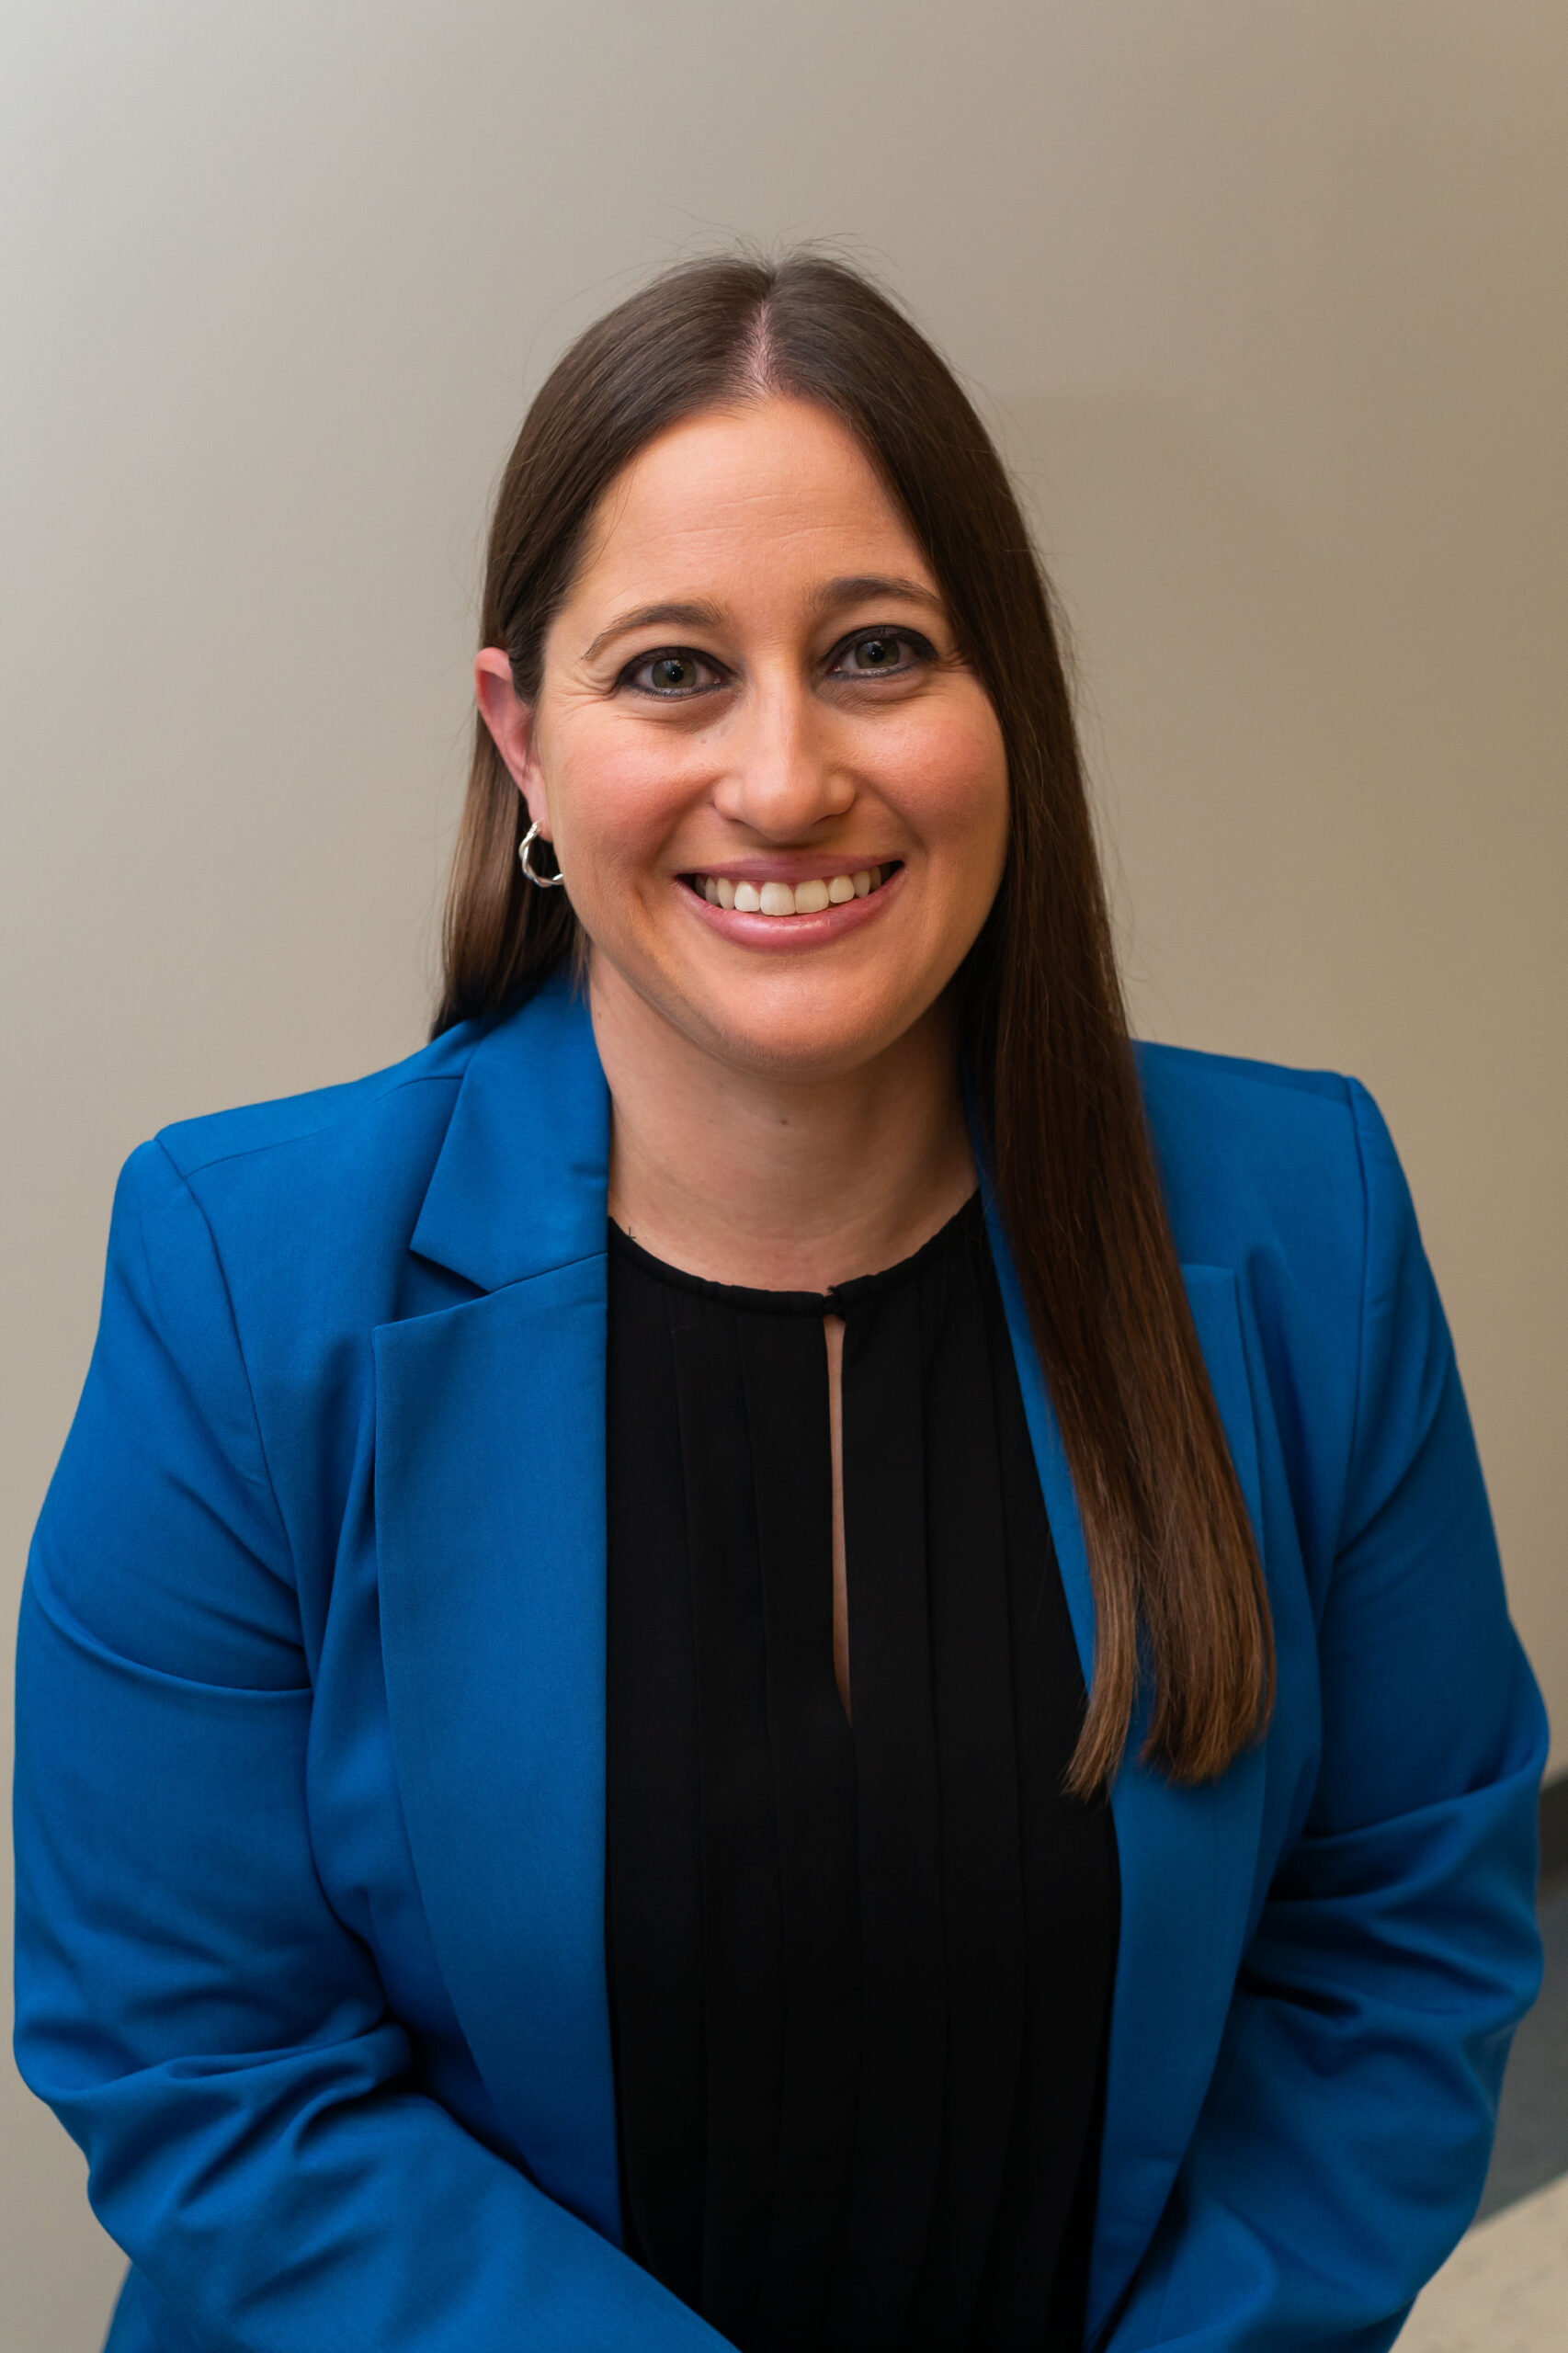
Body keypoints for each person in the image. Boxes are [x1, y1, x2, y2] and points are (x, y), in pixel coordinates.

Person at [13, 253, 1546, 2353]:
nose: (786, 772)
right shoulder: (237, 1270)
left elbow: (1399, 1934)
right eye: (669, 671)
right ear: (522, 742)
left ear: (1007, 705)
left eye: (878, 651)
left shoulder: (1306, 1221)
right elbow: (207, 2065)